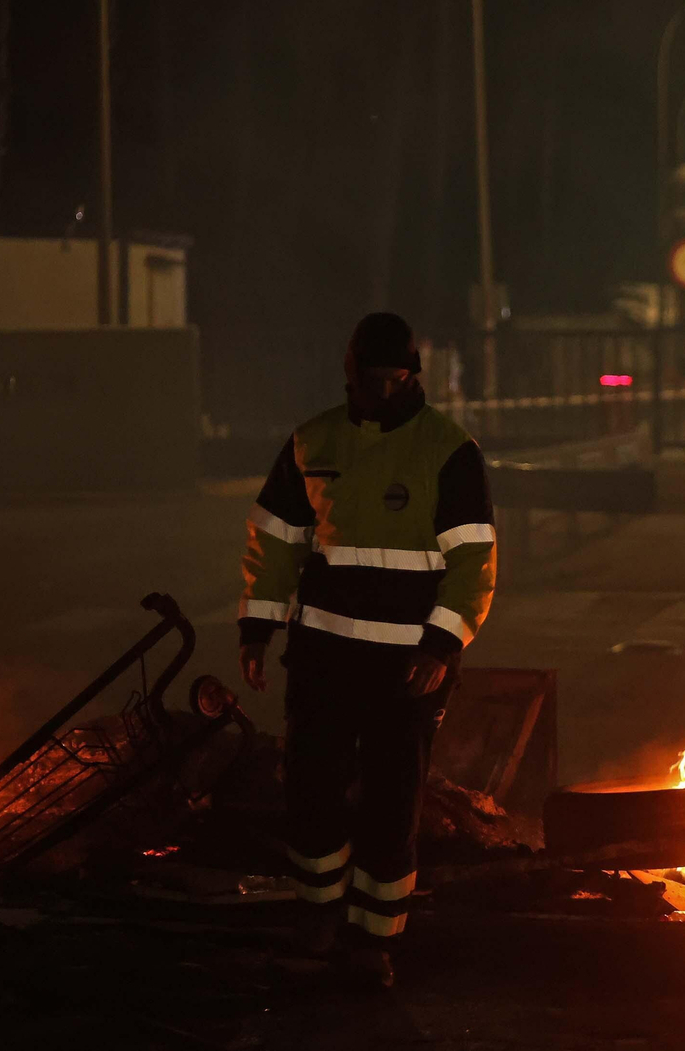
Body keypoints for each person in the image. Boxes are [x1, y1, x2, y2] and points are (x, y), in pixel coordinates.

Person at [237, 312, 496, 989]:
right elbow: (275, 543)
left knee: (391, 804)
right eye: (372, 378)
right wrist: (256, 629)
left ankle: (374, 942)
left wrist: (442, 646)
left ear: (414, 375)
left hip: (406, 667)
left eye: (396, 378)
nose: (384, 390)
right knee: (311, 794)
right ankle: (319, 917)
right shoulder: (311, 442)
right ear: (349, 374)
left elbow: (474, 566)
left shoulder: (448, 450)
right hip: (323, 656)